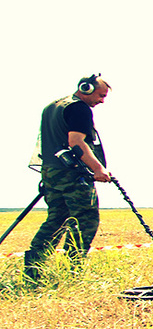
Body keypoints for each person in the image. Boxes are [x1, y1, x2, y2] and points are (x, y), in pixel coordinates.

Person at [25, 75, 114, 282]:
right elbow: (76, 142)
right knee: (85, 220)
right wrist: (99, 169)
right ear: (86, 88)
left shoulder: (52, 107)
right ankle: (72, 272)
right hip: (72, 174)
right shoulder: (79, 108)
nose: (101, 101)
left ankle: (33, 269)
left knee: (56, 219)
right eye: (100, 96)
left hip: (50, 172)